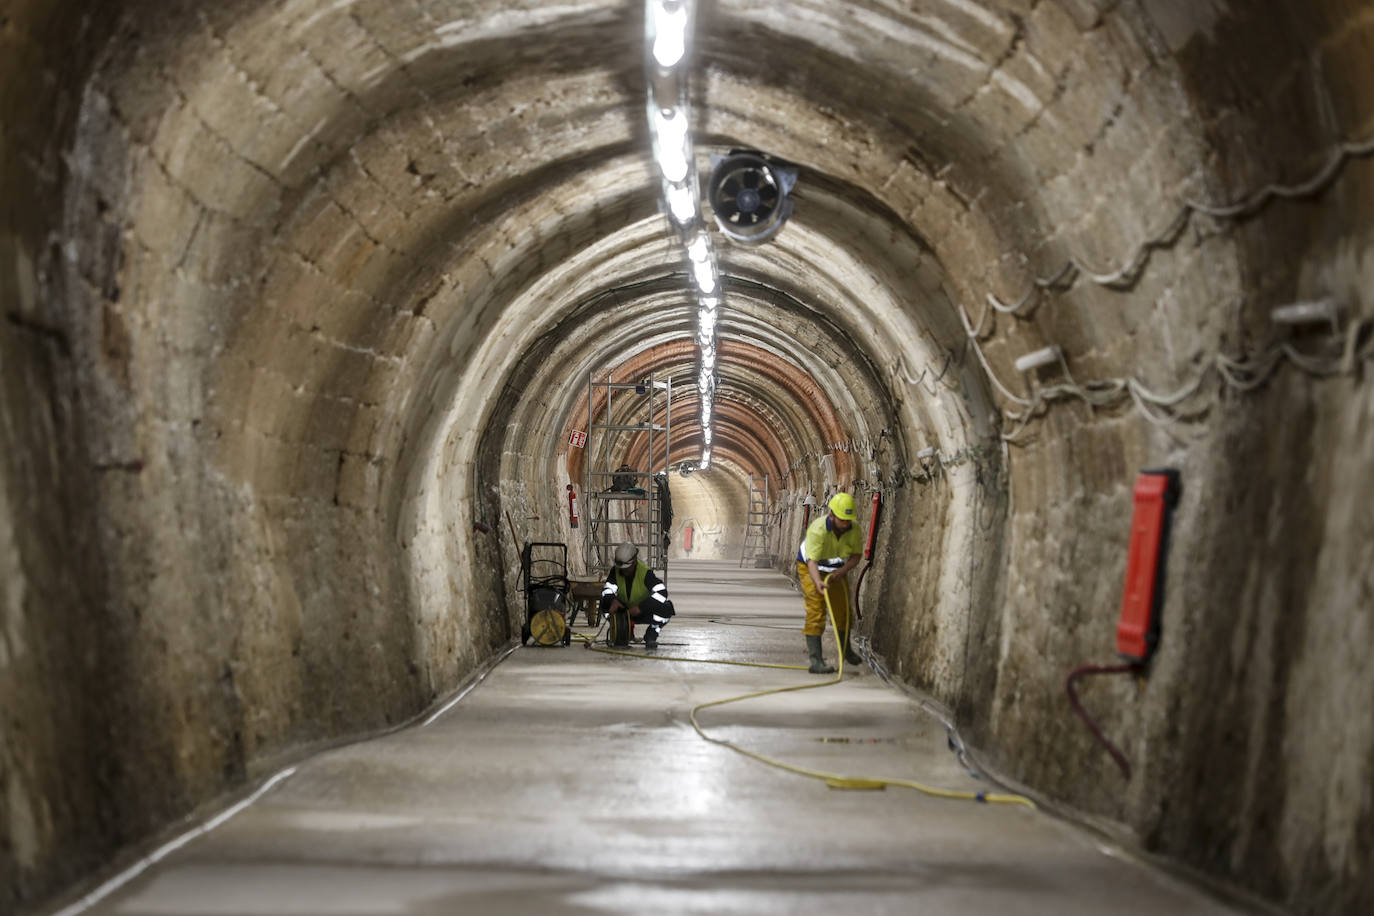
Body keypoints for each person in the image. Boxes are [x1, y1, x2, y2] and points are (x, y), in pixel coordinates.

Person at [796, 492, 863, 673]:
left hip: (836, 570)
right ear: (831, 515)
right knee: (816, 610)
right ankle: (816, 660)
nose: (845, 524)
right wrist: (818, 583)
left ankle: (846, 650)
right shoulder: (818, 530)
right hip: (811, 567)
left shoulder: (853, 529)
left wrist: (841, 572)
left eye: (848, 520)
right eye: (842, 520)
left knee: (843, 612)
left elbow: (856, 556)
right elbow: (812, 562)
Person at [599, 542, 675, 649]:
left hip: (644, 611)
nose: (623, 571)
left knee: (667, 608)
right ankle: (622, 631)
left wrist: (641, 607)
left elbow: (662, 593)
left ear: (634, 561)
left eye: (627, 568)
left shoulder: (645, 573)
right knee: (604, 604)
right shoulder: (615, 571)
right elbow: (607, 590)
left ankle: (651, 635)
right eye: (622, 569)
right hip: (624, 612)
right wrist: (612, 600)